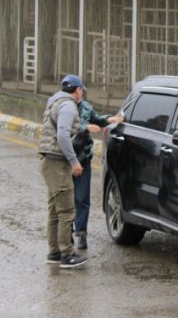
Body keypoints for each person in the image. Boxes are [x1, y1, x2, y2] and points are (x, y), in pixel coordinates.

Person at [38, 74, 89, 269]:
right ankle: (67, 254)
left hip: (48, 161)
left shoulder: (55, 102)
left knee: (54, 210)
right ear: (77, 90)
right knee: (67, 210)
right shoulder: (68, 106)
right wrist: (74, 161)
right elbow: (62, 134)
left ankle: (54, 252)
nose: (82, 93)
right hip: (57, 163)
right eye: (81, 90)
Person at [72, 98, 124, 250]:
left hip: (83, 158)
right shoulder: (63, 107)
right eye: (78, 89)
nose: (80, 92)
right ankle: (65, 234)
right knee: (66, 199)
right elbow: (62, 128)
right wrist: (85, 128)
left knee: (82, 199)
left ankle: (81, 234)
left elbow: (97, 119)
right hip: (65, 159)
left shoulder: (86, 107)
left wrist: (110, 119)